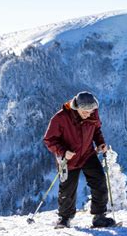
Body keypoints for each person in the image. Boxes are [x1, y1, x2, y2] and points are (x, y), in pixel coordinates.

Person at [44, 91, 116, 228]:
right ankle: (64, 219)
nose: (89, 114)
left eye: (91, 111)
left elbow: (96, 130)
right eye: (85, 111)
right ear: (77, 107)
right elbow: (49, 140)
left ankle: (99, 217)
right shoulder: (61, 118)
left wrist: (100, 143)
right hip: (68, 158)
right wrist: (63, 151)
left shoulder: (92, 112)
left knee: (99, 181)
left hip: (87, 154)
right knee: (68, 189)